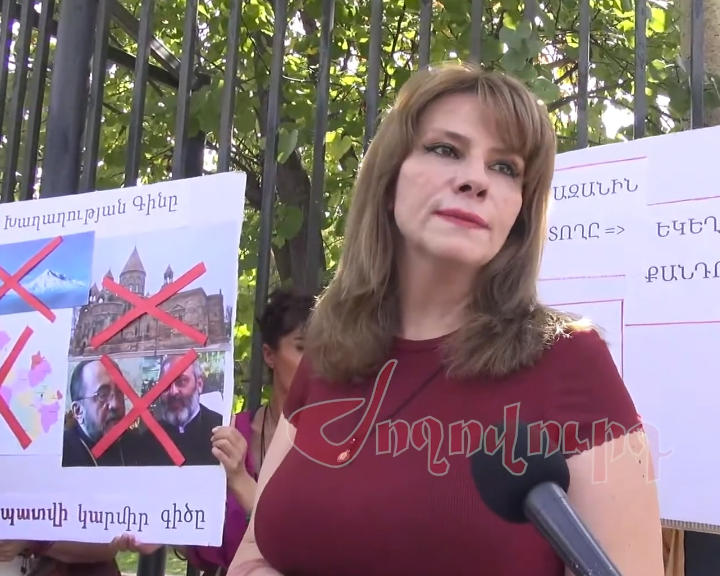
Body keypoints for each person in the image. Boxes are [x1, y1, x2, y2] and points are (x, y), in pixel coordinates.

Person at [226, 63, 664, 576]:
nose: (475, 179)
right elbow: (253, 556)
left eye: (505, 167)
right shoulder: (328, 356)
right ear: (389, 182)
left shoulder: (571, 363)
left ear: (519, 213)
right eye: (446, 150)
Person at [112, 289, 316, 574]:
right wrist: (159, 532)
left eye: (324, 350)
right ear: (269, 355)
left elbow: (310, 545)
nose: (316, 361)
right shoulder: (228, 433)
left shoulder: (337, 444)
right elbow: (201, 533)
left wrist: (240, 480)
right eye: (302, 348)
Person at [62, 358, 151, 467]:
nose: (115, 404)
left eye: (119, 392)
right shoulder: (62, 454)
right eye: (102, 395)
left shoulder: (138, 447)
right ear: (78, 411)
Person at [154, 354, 223, 466]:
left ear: (199, 385)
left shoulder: (221, 429)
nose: (173, 392)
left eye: (181, 381)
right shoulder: (150, 438)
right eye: (165, 385)